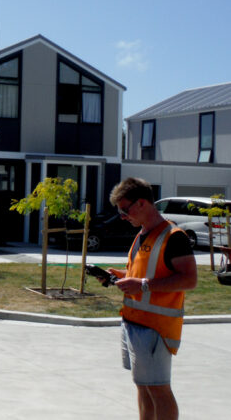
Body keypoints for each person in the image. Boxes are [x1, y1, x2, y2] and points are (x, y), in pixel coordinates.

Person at [106, 177, 197, 420]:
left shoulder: (174, 237)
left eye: (125, 210)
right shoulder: (142, 235)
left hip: (155, 329)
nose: (123, 216)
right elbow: (144, 274)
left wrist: (143, 285)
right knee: (143, 385)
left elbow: (189, 279)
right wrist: (122, 277)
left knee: (158, 389)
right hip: (134, 323)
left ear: (143, 203)